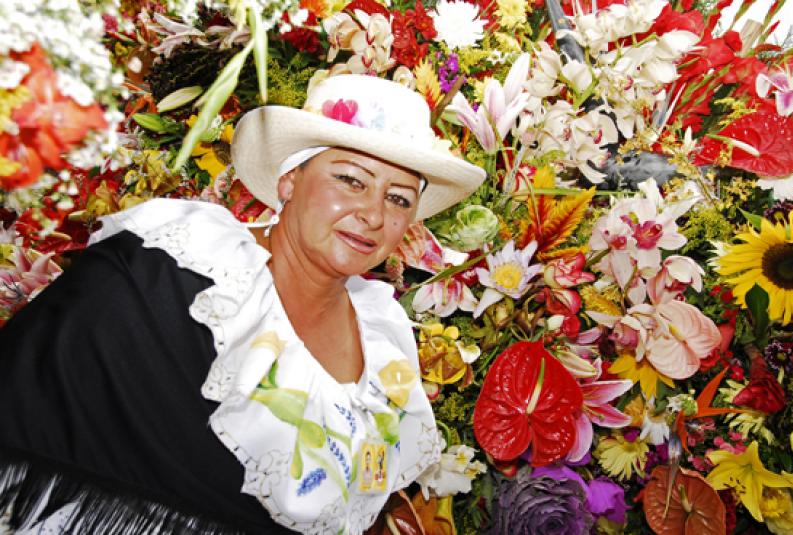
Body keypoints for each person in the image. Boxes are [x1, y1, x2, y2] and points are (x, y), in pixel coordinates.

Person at [0, 74, 485, 534]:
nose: (373, 214)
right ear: (289, 182)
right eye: (351, 180)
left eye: (399, 200)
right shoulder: (170, 270)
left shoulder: (387, 348)